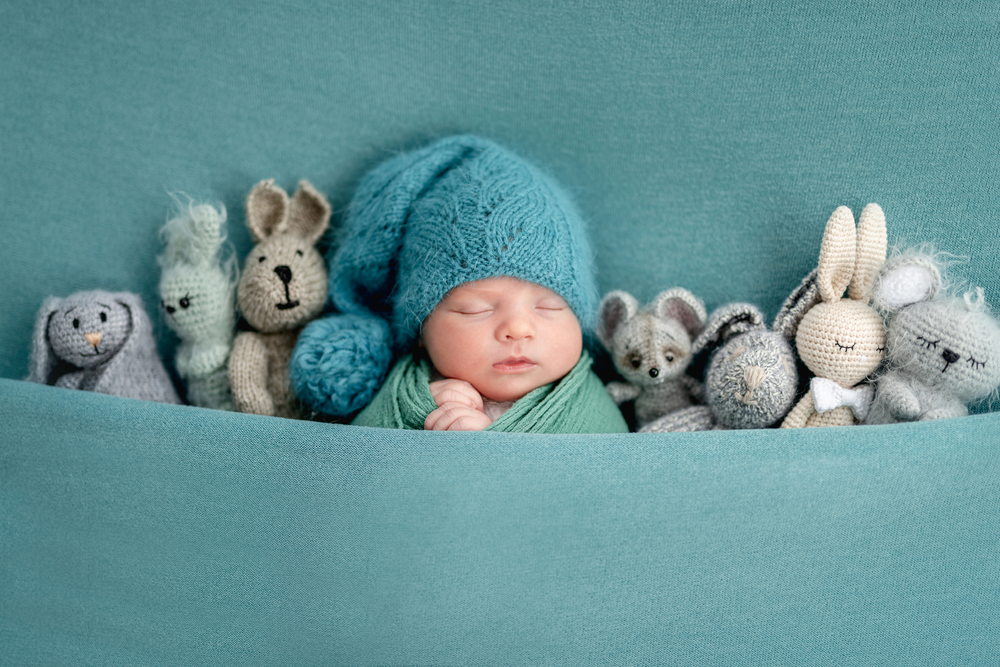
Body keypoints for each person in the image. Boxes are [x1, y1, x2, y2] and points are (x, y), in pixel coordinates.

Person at [290, 135, 628, 434]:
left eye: (549, 306)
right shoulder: (412, 389)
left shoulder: (585, 400)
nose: (518, 328)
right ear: (421, 333)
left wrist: (491, 448)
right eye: (475, 309)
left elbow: (606, 474)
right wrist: (421, 411)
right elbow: (361, 457)